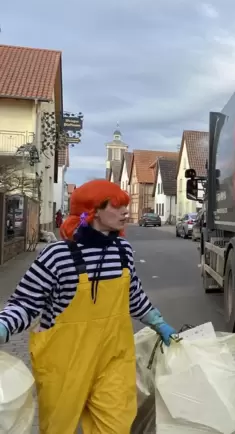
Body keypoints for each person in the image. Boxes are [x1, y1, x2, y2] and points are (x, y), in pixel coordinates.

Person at [0, 179, 178, 433]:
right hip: (63, 364)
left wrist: (158, 323)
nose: (125, 212)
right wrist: (4, 326)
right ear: (92, 212)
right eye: (116, 206)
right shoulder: (57, 255)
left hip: (113, 360)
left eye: (125, 205)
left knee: (116, 426)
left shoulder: (122, 250)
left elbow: (133, 296)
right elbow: (26, 303)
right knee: (58, 429)